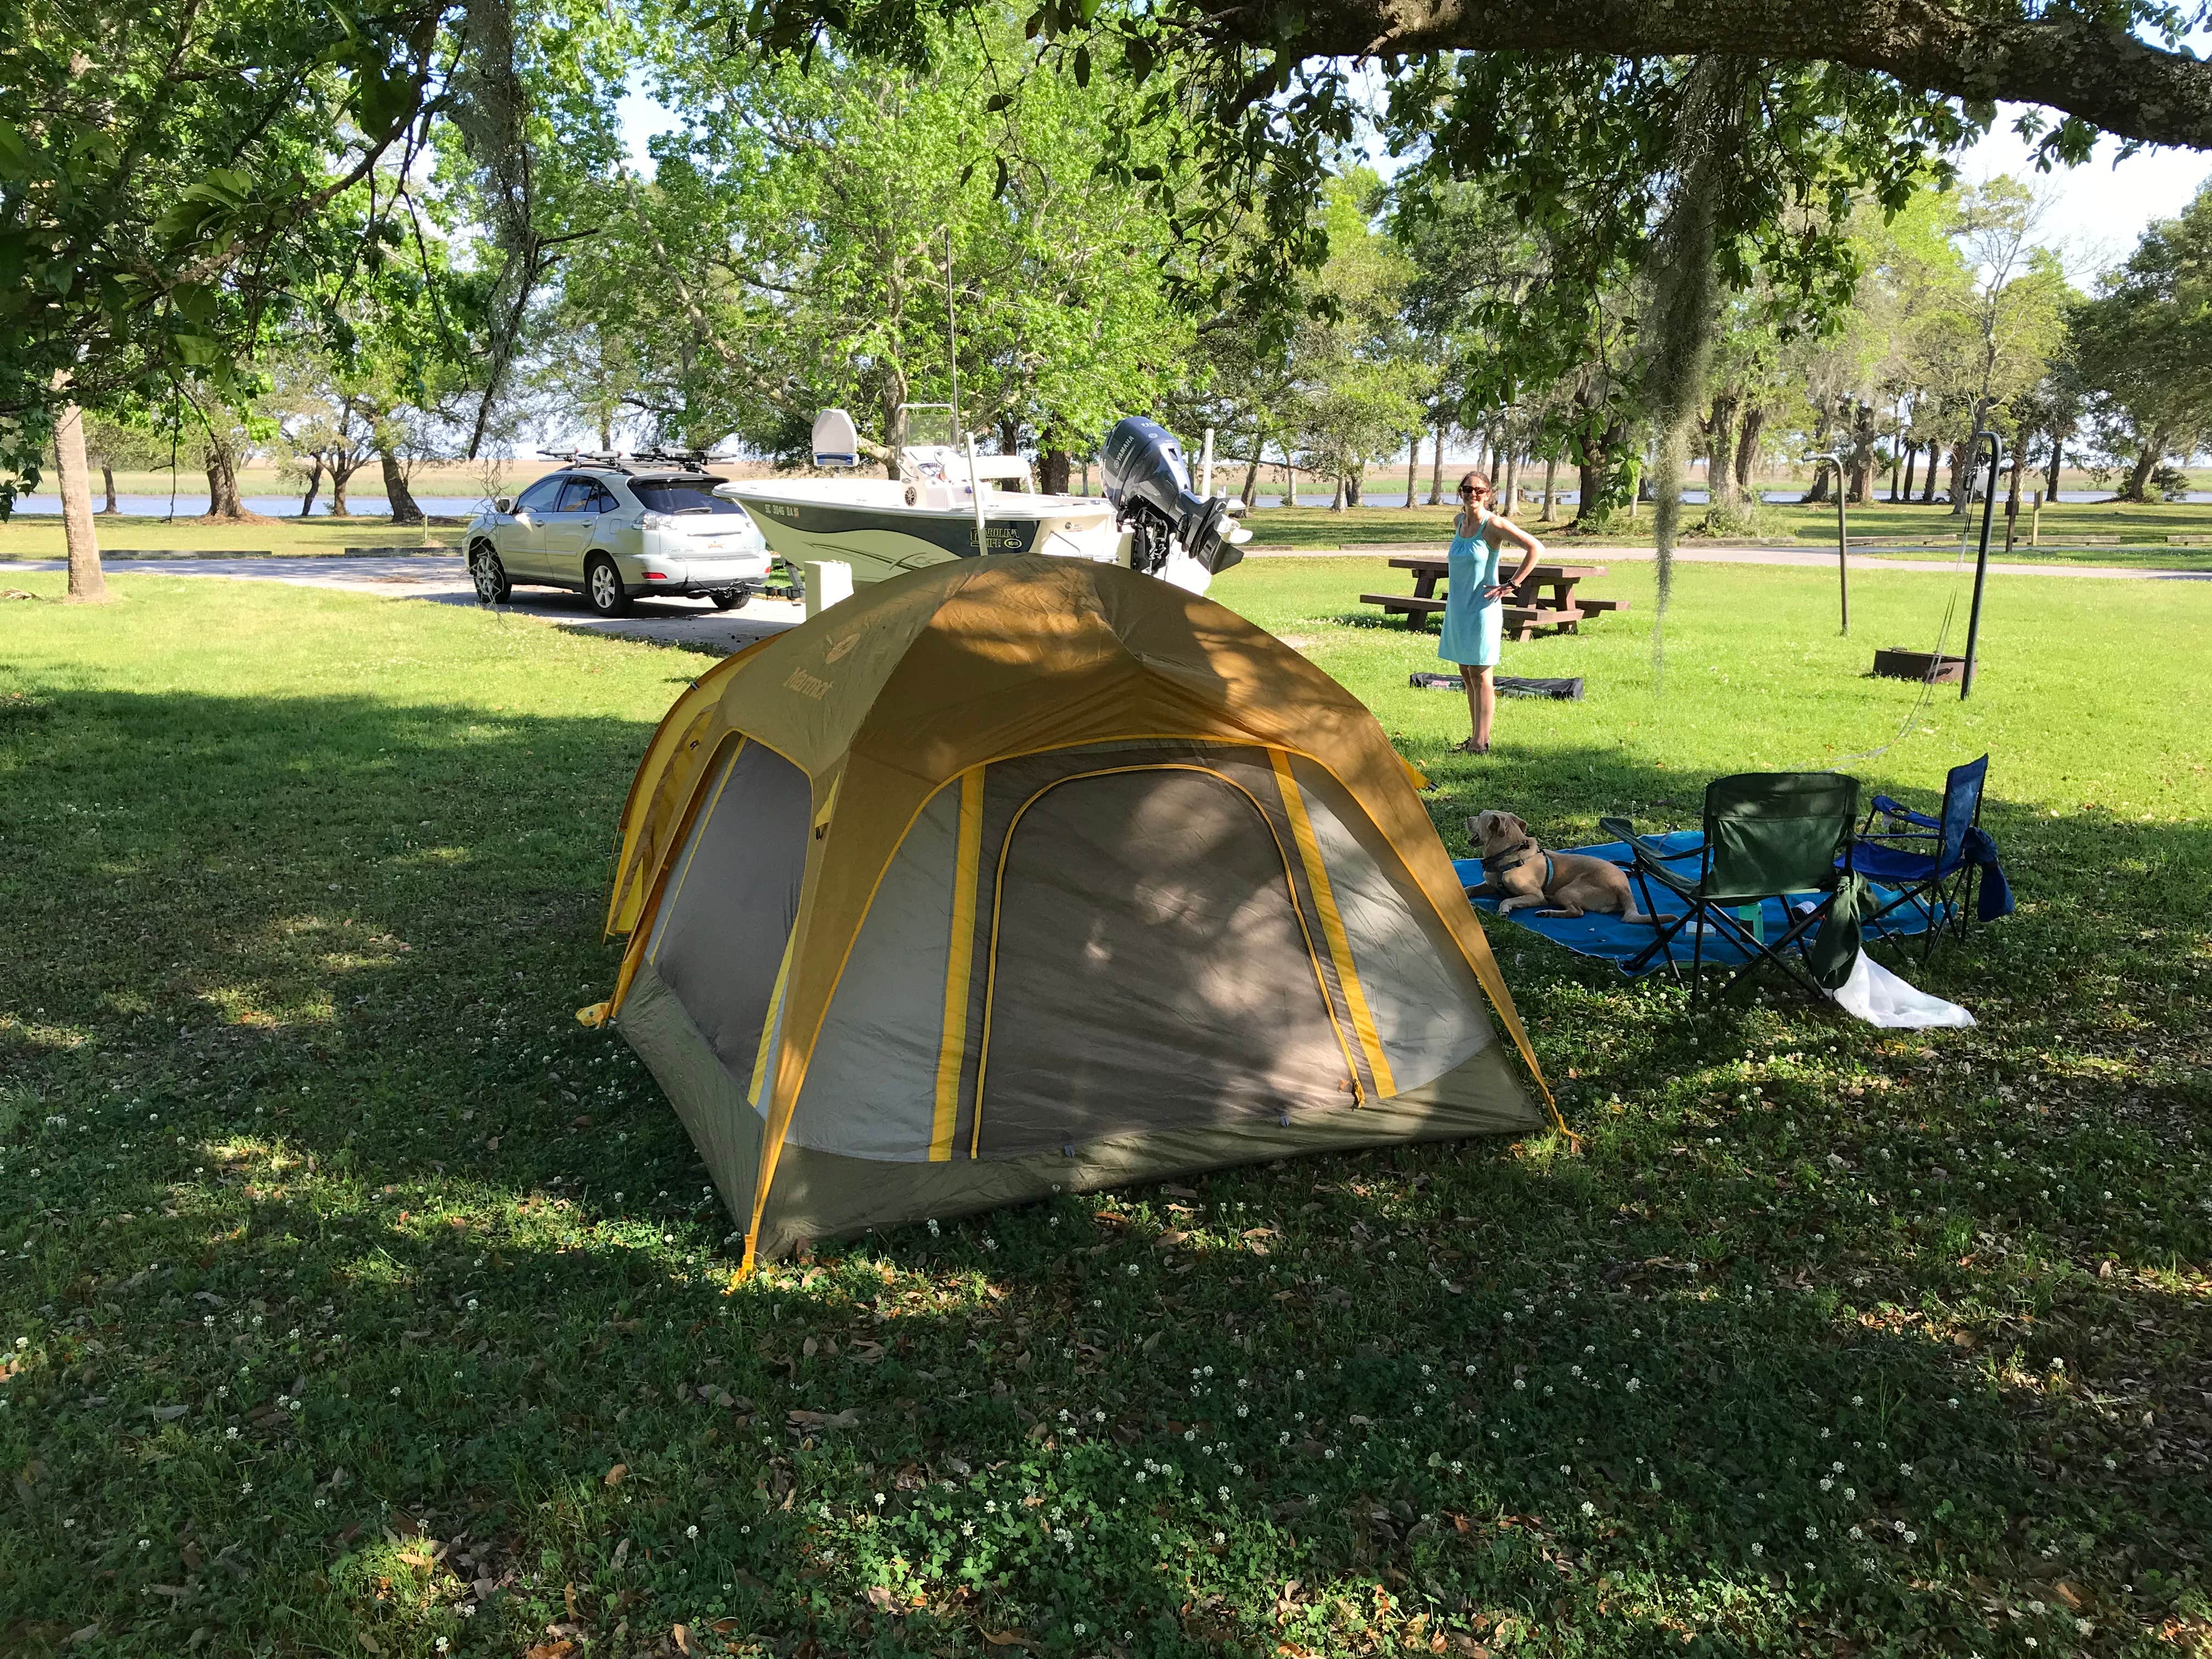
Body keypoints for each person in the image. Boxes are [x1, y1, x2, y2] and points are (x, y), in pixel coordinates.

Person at [1438, 470, 1544, 755]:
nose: (1473, 494)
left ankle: (1481, 743)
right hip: (1459, 608)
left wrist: (1513, 584)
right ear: (1460, 492)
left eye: (1480, 490)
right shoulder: (1458, 521)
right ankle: (1475, 738)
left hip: (1483, 609)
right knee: (1466, 671)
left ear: (1489, 494)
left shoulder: (1493, 525)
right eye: (1468, 489)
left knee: (1482, 674)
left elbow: (1535, 548)